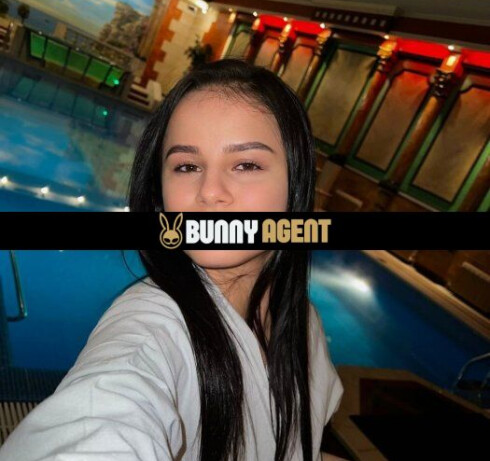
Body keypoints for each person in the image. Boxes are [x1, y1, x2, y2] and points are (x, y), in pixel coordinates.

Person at [0, 58, 344, 461]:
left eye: (246, 164)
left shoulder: (303, 321)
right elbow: (99, 419)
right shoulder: (152, 332)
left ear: (296, 183)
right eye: (187, 166)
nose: (209, 191)